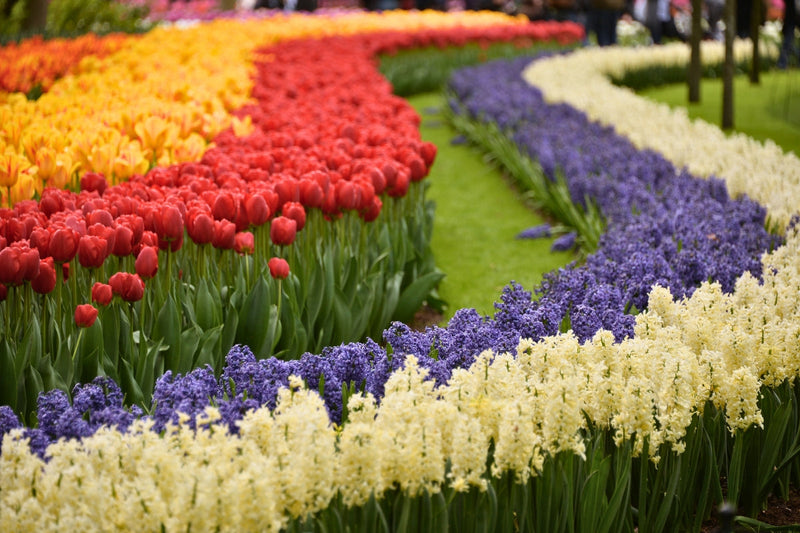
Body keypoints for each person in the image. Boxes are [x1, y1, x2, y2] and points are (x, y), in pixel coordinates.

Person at [779, 0, 800, 68]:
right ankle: (782, 64)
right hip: (791, 17)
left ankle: (782, 64)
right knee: (787, 43)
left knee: (787, 43)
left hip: (793, 16)